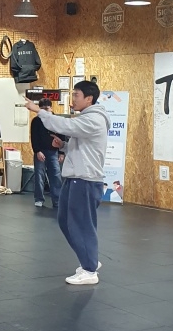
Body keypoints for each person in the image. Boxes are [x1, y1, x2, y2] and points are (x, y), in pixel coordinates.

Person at [25, 80, 110, 285]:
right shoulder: (86, 118)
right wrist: (63, 145)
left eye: (76, 95)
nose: (72, 99)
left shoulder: (95, 119)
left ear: (89, 98)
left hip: (86, 179)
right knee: (64, 221)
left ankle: (89, 270)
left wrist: (39, 111)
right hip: (74, 178)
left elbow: (65, 125)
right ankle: (90, 259)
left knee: (81, 225)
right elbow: (81, 146)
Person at [30, 98, 65, 209]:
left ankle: (57, 200)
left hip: (54, 152)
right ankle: (39, 199)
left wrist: (61, 152)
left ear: (51, 108)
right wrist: (37, 151)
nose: (45, 111)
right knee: (39, 176)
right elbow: (34, 137)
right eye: (42, 109)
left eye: (47, 109)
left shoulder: (56, 120)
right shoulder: (36, 121)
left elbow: (62, 135)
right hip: (40, 151)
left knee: (56, 176)